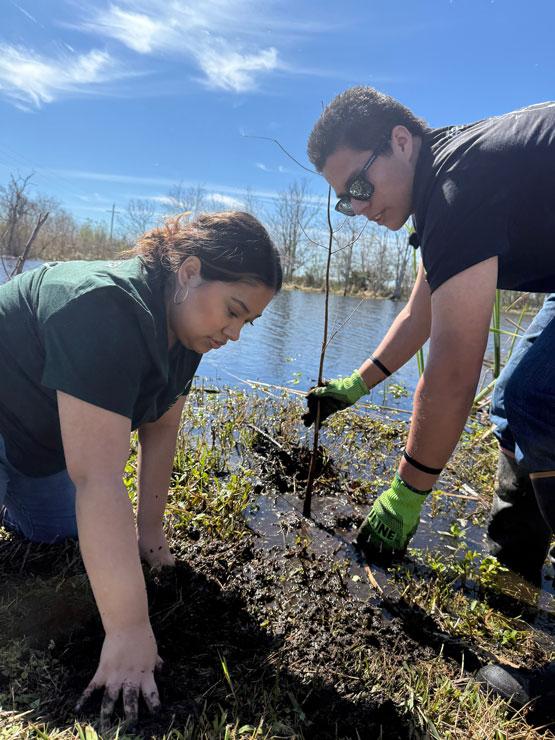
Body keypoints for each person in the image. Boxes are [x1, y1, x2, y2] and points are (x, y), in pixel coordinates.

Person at [304, 87, 555, 707]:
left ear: (399, 140)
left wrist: (408, 491)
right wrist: (353, 386)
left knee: (532, 400)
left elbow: (450, 371)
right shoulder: (448, 184)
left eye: (359, 187)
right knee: (522, 398)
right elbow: (420, 313)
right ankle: (515, 558)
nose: (356, 209)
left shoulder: (454, 184)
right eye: (343, 199)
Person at [0, 210, 282, 727]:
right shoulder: (103, 306)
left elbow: (161, 429)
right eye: (234, 311)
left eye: (248, 322)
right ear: (190, 270)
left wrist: (150, 541)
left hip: (35, 448)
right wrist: (129, 630)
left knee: (57, 535)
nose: (235, 334)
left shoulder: (188, 332)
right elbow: (98, 478)